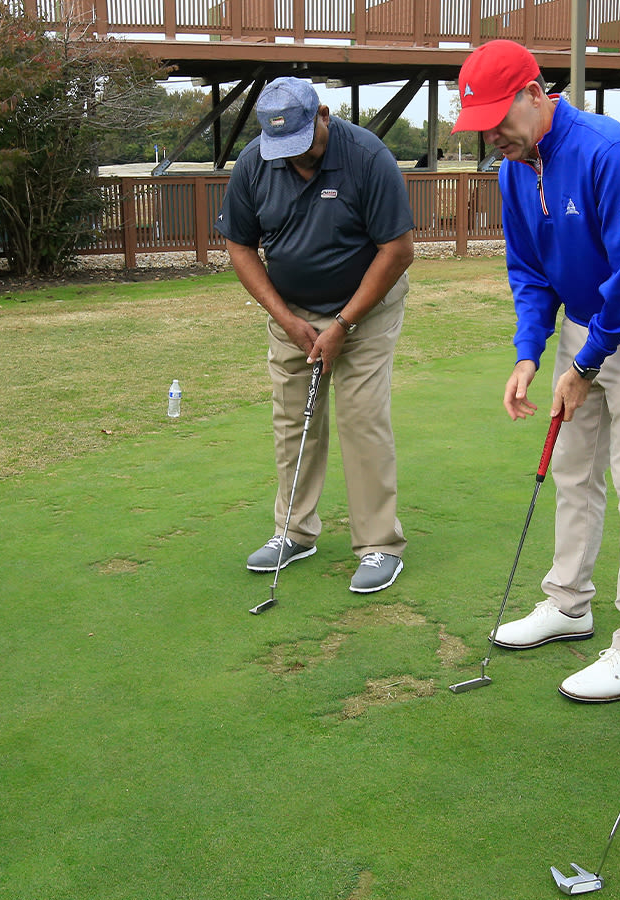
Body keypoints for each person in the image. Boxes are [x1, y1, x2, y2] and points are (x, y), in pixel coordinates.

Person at [452, 40, 620, 701]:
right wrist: (529, 354)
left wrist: (588, 361)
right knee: (574, 470)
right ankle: (568, 604)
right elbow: (530, 271)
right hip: (584, 327)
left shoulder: (608, 152)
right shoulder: (513, 168)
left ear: (536, 94)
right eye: (483, 127)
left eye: (500, 119)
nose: (494, 137)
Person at [217, 77, 416, 594]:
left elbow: (397, 250)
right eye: (285, 150)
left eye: (304, 144)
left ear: (323, 115)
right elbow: (240, 247)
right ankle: (294, 531)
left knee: (361, 418)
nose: (297, 159)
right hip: (294, 313)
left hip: (367, 311)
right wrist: (288, 320)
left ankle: (379, 544)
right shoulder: (256, 162)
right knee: (292, 421)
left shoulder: (368, 157)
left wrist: (344, 325)